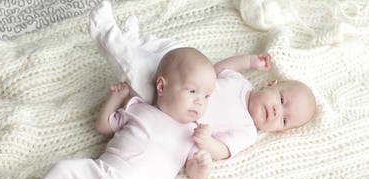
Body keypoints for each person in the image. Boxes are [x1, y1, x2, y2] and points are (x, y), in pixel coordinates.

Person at [0, 47, 217, 179]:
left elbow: (194, 173)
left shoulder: (193, 134)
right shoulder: (138, 108)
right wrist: (116, 99)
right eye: (192, 91)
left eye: (207, 96)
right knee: (62, 170)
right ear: (161, 87)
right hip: (99, 171)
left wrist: (203, 163)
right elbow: (104, 126)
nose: (200, 101)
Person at [89, 1, 316, 161]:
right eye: (282, 99)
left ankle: (108, 35)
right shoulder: (241, 83)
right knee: (178, 53)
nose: (277, 111)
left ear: (279, 131)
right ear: (270, 84)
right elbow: (218, 70)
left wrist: (208, 143)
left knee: (139, 76)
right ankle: (136, 43)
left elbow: (224, 150)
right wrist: (250, 61)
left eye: (285, 119)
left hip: (170, 108)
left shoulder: (247, 130)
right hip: (183, 81)